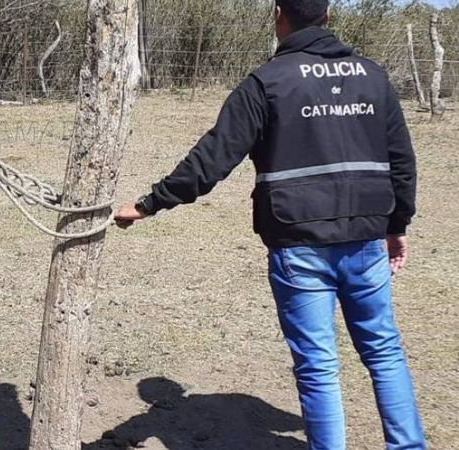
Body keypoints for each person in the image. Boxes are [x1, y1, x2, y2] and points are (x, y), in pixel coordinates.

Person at [114, 1, 426, 449]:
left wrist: (147, 204)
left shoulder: (266, 83)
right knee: (384, 352)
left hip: (298, 245)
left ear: (278, 13)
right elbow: (402, 163)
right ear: (329, 15)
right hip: (365, 241)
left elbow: (212, 159)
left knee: (319, 366)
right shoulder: (373, 76)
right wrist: (397, 225)